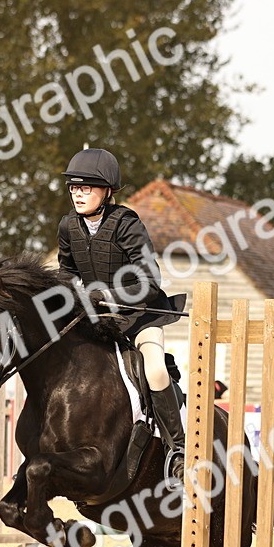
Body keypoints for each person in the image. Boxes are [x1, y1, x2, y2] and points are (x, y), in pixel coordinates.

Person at [57, 148, 186, 481]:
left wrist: (106, 296)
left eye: (87, 187)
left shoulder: (126, 223)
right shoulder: (68, 226)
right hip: (99, 321)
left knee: (155, 370)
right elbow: (67, 271)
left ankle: (179, 451)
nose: (78, 193)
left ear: (107, 192)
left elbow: (149, 279)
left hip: (140, 315)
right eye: (74, 187)